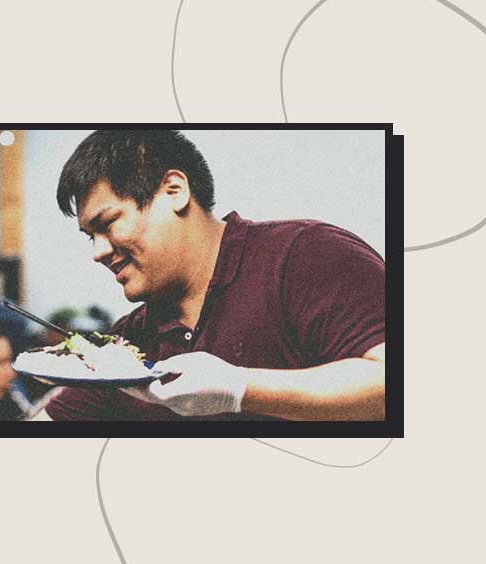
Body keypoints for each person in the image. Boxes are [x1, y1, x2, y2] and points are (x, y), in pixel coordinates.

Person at [39, 130, 386, 421]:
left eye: (108, 224)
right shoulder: (132, 341)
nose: (97, 252)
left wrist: (239, 387)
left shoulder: (305, 254)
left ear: (174, 191)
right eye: (90, 236)